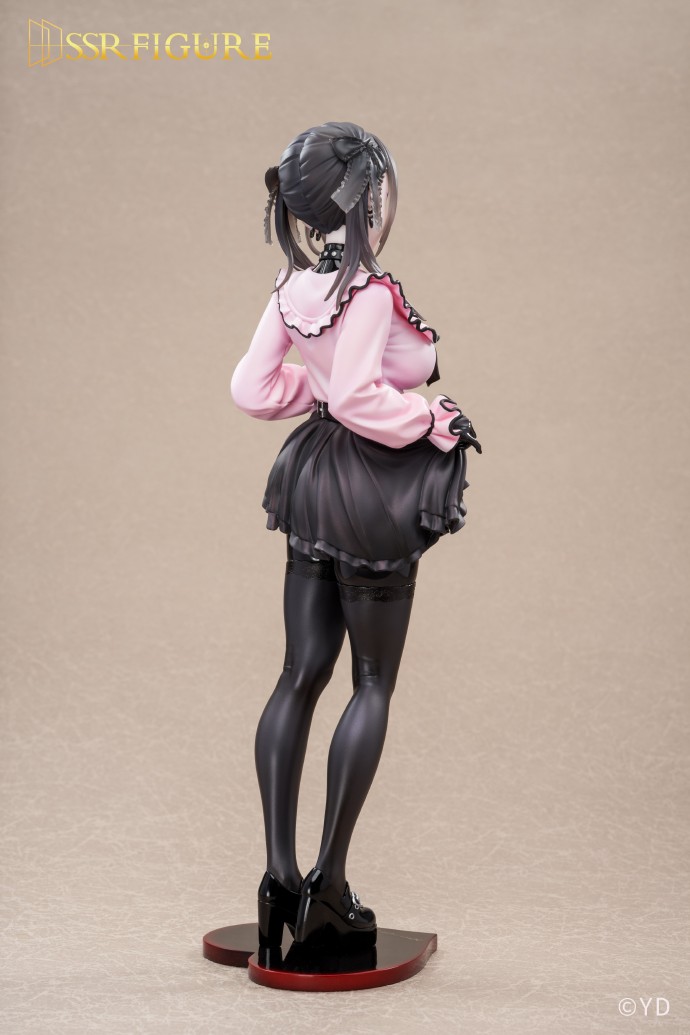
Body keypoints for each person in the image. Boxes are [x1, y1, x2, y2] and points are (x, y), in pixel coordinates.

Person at [230, 121, 481, 950]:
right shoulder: (367, 291)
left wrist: (315, 388)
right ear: (365, 198)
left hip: (311, 481)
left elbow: (252, 386)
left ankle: (277, 878)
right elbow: (365, 399)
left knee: (298, 672)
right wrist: (433, 420)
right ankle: (327, 886)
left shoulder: (292, 286)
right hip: (370, 487)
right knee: (371, 681)